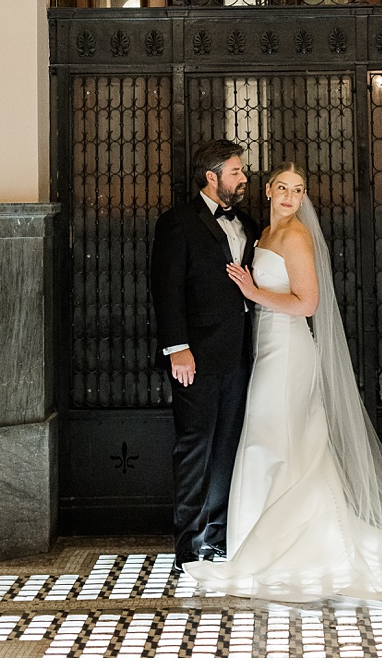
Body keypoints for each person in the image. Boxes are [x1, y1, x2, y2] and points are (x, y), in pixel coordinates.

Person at [184, 162, 382, 602]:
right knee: (270, 442)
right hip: (265, 350)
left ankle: (294, 549)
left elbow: (308, 303)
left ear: (303, 197)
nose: (289, 196)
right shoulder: (263, 234)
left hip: (288, 353)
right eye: (282, 188)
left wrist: (253, 293)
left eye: (297, 190)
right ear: (268, 191)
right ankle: (262, 541)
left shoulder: (298, 236)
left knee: (279, 442)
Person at [150, 139, 259, 569]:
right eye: (236, 172)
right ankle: (188, 545)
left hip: (240, 355)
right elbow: (166, 289)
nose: (244, 178)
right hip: (195, 357)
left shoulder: (248, 222)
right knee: (195, 445)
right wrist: (179, 349)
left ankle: (217, 536)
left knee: (228, 445)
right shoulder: (177, 222)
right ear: (211, 177)